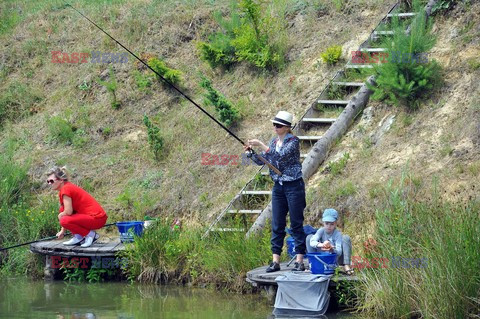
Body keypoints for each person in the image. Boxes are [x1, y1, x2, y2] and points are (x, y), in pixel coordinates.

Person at [244, 111, 307, 272]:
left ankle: (300, 260)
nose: (275, 127)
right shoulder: (273, 142)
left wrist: (260, 144)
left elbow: (280, 156)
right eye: (274, 124)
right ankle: (275, 261)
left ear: (286, 127)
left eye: (278, 125)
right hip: (278, 187)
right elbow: (264, 160)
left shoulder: (293, 141)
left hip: (294, 186)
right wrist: (251, 153)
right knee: (277, 223)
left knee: (296, 223)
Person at [46, 166, 108, 248]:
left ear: (61, 180)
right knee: (62, 211)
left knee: (63, 218)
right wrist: (62, 231)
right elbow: (66, 211)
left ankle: (90, 235)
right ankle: (79, 237)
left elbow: (68, 212)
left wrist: (60, 216)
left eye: (51, 181)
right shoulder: (66, 188)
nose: (49, 183)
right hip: (95, 218)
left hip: (97, 218)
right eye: (48, 181)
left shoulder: (66, 189)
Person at [307, 208, 354, 275]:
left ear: (335, 224)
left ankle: (346, 265)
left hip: (334, 258)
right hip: (321, 257)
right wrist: (322, 245)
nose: (329, 226)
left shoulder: (337, 234)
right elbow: (312, 241)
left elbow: (339, 251)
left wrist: (332, 249)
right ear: (323, 223)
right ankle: (312, 263)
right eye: (327, 223)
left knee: (346, 238)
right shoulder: (321, 231)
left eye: (331, 224)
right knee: (309, 237)